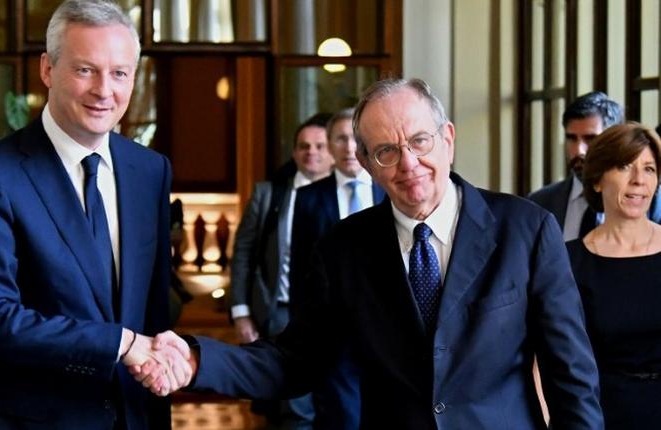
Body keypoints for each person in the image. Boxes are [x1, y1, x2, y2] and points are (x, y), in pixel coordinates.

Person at [143, 78, 604, 429]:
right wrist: (199, 358)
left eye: (419, 141)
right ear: (364, 163)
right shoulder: (343, 250)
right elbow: (294, 360)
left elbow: (571, 372)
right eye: (386, 151)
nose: (408, 164)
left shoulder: (525, 229)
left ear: (447, 138)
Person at [0, 1, 187, 429]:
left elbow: (151, 309)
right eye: (85, 70)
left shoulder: (150, 171)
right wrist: (120, 342)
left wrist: (164, 356)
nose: (104, 90)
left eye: (119, 73)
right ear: (47, 69)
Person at [229, 113, 333, 428]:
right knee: (295, 408)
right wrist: (241, 312)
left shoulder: (352, 196)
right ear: (294, 152)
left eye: (319, 145)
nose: (311, 152)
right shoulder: (269, 194)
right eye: (303, 146)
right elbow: (243, 253)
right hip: (282, 314)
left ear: (333, 153)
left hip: (336, 318)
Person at [288, 108, 385, 429]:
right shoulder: (308, 199)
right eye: (340, 139)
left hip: (387, 330)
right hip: (334, 332)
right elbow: (302, 269)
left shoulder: (389, 192)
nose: (348, 147)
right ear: (329, 145)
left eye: (355, 139)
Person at [567, 123, 661, 429]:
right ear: (596, 180)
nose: (638, 181)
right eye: (624, 167)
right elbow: (549, 356)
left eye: (649, 169)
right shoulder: (568, 260)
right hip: (600, 414)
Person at [528, 91, 661, 239]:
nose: (579, 150)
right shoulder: (539, 202)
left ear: (615, 142)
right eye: (572, 138)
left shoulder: (649, 199)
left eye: (590, 139)